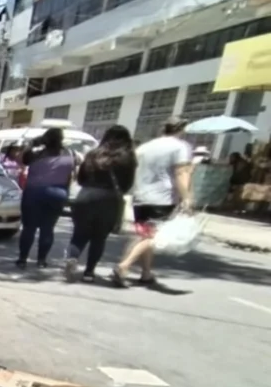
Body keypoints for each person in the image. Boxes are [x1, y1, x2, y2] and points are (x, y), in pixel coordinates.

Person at [112, 117, 192, 287]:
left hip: (141, 196)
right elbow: (181, 173)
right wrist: (186, 197)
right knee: (152, 235)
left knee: (144, 234)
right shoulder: (180, 147)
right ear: (181, 129)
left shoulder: (145, 147)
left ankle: (146, 273)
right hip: (163, 198)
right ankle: (123, 266)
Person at [63, 125, 136, 282]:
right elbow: (127, 184)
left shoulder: (92, 154)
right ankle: (89, 272)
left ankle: (72, 258)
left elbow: (81, 178)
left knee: (79, 234)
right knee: (99, 238)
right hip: (110, 199)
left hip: (86, 196)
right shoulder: (128, 157)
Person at [16, 127, 74, 269]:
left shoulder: (36, 154)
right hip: (58, 193)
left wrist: (31, 145)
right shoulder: (70, 154)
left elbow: (21, 160)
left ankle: (22, 259)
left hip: (34, 193)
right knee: (48, 228)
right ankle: (41, 260)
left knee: (29, 228)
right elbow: (71, 175)